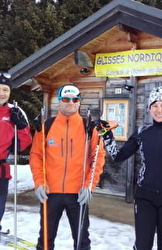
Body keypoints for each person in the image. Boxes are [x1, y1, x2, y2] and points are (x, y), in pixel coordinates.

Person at [96, 86, 162, 250]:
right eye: (155, 106)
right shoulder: (141, 132)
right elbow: (118, 156)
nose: (159, 110)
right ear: (149, 109)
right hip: (145, 197)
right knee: (142, 245)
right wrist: (107, 136)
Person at [29, 84, 105, 250]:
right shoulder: (46, 126)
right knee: (45, 241)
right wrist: (39, 182)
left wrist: (89, 186)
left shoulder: (88, 127)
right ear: (59, 101)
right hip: (50, 192)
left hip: (78, 193)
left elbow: (98, 157)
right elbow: (36, 155)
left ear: (79, 102)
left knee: (81, 242)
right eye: (66, 99)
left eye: (75, 99)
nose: (70, 102)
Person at [0, 72, 32, 232]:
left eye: (5, 89)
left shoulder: (15, 112)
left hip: (1, 168)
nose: (2, 93)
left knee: (0, 202)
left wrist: (19, 125)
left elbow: (23, 144)